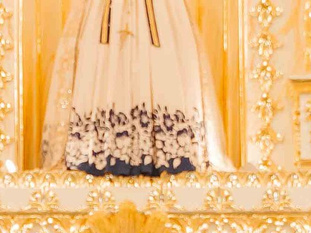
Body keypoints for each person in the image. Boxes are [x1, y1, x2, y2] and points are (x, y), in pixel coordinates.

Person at [41, 0, 225, 176]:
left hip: (159, 13)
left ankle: (159, 150)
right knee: (106, 64)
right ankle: (102, 148)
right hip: (108, 13)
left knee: (162, 65)